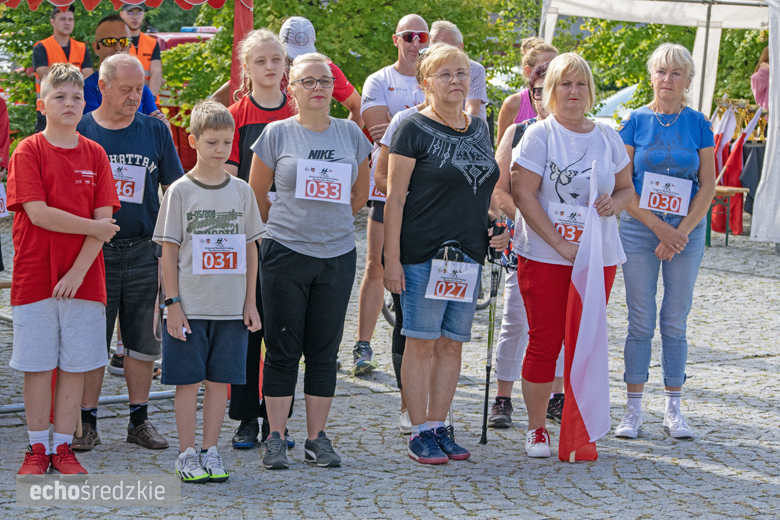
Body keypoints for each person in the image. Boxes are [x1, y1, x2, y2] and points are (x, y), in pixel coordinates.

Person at [249, 52, 371, 469]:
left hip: (337, 255)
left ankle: (317, 437)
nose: (318, 87)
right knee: (282, 349)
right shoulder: (276, 134)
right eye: (308, 81)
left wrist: (329, 224)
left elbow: (360, 194)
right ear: (292, 89)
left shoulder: (351, 134)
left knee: (324, 350)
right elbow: (256, 195)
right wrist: (290, 227)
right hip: (285, 253)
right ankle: (276, 436)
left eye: (325, 81)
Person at [384, 43, 505, 464]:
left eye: (462, 73)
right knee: (420, 343)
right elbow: (395, 198)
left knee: (452, 345)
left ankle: (439, 424)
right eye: (445, 74)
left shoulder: (480, 128)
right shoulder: (411, 127)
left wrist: (495, 224)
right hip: (423, 253)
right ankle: (419, 430)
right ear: (425, 83)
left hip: (468, 255)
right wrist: (391, 259)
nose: (456, 81)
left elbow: (478, 191)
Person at [510, 52, 634, 458]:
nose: (574, 91)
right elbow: (523, 194)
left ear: (591, 90)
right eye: (565, 83)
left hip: (597, 258)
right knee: (545, 341)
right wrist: (560, 244)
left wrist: (614, 203)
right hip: (545, 255)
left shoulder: (608, 135)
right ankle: (536, 429)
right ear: (551, 89)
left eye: (581, 83)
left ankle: (580, 430)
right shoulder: (539, 135)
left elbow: (627, 190)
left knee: (585, 343)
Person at [8, 63, 120, 474]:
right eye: (59, 97)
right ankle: (37, 449)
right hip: (35, 276)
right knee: (38, 366)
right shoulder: (28, 150)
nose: (69, 103)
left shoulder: (96, 154)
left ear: (85, 103)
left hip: (84, 280)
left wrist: (76, 273)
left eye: (76, 97)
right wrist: (93, 227)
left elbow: (105, 223)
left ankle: (63, 448)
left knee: (75, 366)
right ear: (42, 104)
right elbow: (39, 214)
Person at [74, 53, 184, 452]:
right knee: (92, 342)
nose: (135, 96)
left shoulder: (154, 131)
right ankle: (86, 422)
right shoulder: (82, 131)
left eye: (139, 89)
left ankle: (139, 421)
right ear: (102, 87)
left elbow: (175, 189)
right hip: (94, 252)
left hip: (143, 250)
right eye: (126, 89)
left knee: (142, 342)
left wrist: (174, 243)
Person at [153, 100, 263, 483]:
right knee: (187, 382)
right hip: (190, 307)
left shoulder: (242, 191)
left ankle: (210, 450)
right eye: (212, 142)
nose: (220, 150)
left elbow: (251, 248)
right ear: (193, 141)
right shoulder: (180, 191)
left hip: (230, 309)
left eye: (226, 142)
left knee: (220, 382)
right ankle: (186, 453)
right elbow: (168, 251)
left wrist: (250, 302)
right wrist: (172, 304)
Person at [614, 43, 716, 440]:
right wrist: (659, 228)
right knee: (640, 318)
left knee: (675, 319)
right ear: (651, 76)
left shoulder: (699, 123)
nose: (668, 79)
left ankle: (674, 409)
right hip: (641, 228)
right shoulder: (634, 121)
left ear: (688, 80)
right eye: (661, 71)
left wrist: (680, 232)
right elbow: (623, 185)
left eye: (676, 73)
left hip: (686, 230)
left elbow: (707, 186)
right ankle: (633, 409)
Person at [224, 28, 296, 451]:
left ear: (286, 64)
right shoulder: (235, 115)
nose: (270, 67)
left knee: (284, 333)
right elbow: (228, 179)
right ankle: (245, 418)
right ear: (246, 68)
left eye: (276, 59)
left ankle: (278, 419)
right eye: (260, 60)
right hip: (248, 238)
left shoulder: (300, 111)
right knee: (247, 332)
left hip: (293, 239)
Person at [487, 61, 566, 429]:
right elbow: (499, 189)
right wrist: (527, 220)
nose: (544, 99)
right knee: (516, 321)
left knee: (560, 323)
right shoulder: (518, 131)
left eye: (551, 89)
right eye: (537, 92)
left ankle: (555, 396)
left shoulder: (580, 134)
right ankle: (503, 397)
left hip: (566, 245)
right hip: (524, 241)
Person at [354, 14, 428, 378]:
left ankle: (419, 344)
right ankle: (362, 343)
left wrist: (403, 121)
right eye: (409, 36)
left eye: (422, 37)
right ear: (396, 39)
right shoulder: (379, 79)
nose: (416, 43)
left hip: (426, 192)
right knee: (376, 264)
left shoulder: (435, 78)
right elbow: (381, 130)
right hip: (385, 187)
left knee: (420, 266)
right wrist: (419, 123)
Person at [372, 47, 430, 435]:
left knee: (444, 333)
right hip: (410, 233)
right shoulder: (405, 121)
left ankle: (437, 410)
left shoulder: (470, 124)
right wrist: (418, 197)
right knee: (408, 321)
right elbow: (380, 177)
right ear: (424, 81)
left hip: (452, 240)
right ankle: (409, 404)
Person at [83, 15, 167, 122]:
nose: (118, 48)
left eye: (124, 41)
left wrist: (164, 124)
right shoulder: (87, 89)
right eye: (110, 42)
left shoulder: (142, 90)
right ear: (96, 47)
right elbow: (93, 128)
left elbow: (159, 126)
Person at [33, 5, 94, 133]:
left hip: (74, 109)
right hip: (49, 110)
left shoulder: (82, 48)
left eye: (70, 19)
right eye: (62, 19)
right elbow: (45, 77)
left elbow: (89, 78)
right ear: (52, 22)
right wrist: (76, 77)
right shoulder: (41, 47)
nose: (67, 23)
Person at [496, 37, 557, 145]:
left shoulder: (564, 99)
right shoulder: (513, 103)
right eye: (544, 69)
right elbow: (501, 148)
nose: (551, 74)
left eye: (555, 68)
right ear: (528, 71)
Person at [429, 20, 488, 124]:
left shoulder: (475, 70)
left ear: (460, 47)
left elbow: (472, 112)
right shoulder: (426, 69)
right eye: (434, 44)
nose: (438, 51)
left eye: (443, 46)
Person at [120, 3, 163, 98]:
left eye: (139, 13)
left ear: (143, 15)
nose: (135, 17)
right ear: (122, 15)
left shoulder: (152, 43)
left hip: (148, 98)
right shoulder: (117, 42)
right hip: (124, 98)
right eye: (130, 13)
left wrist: (152, 97)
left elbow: (156, 71)